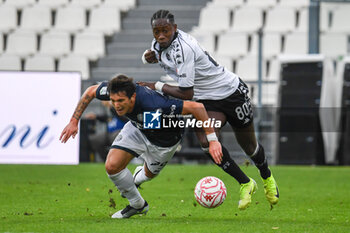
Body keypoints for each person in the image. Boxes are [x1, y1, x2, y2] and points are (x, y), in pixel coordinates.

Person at [139, 9, 279, 210]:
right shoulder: (158, 44)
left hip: (232, 93)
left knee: (249, 147)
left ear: (175, 29)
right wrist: (148, 56)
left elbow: (186, 94)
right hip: (207, 102)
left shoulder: (184, 48)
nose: (161, 36)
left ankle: (267, 177)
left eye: (166, 31)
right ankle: (246, 183)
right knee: (206, 142)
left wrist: (156, 85)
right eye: (157, 31)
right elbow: (156, 54)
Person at [60, 74, 223, 219]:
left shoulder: (154, 104)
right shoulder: (115, 93)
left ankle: (139, 177)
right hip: (138, 128)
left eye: (121, 101)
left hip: (165, 141)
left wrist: (213, 140)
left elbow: (197, 107)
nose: (116, 105)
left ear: (133, 97)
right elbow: (90, 92)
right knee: (112, 166)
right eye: (113, 101)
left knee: (147, 175)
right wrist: (74, 121)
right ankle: (137, 205)